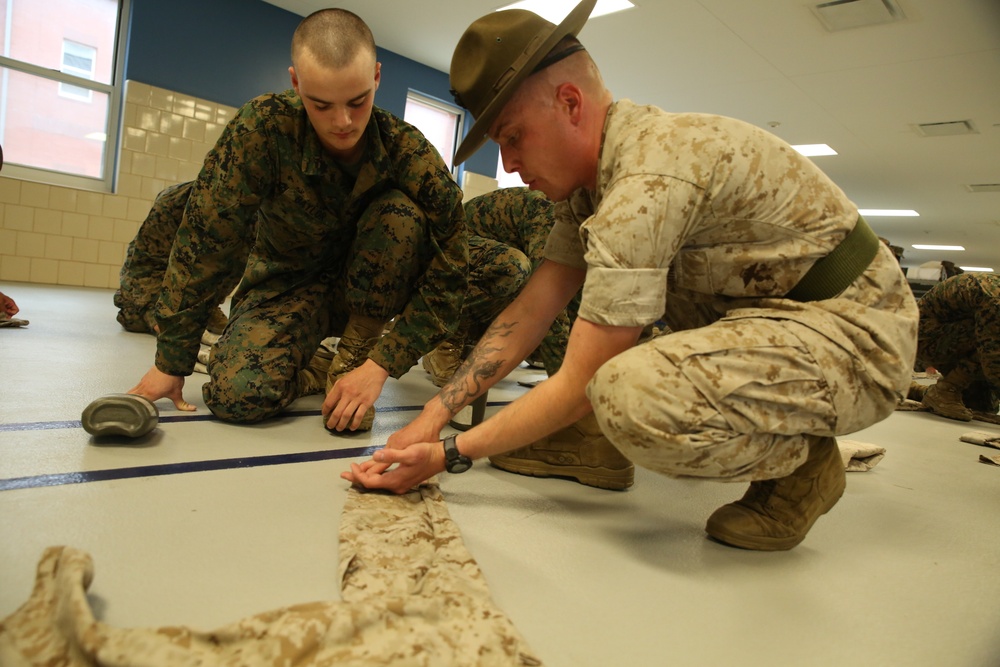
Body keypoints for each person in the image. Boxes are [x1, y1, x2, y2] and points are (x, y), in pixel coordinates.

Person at [342, 0, 919, 552]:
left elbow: (579, 381)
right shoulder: (593, 184)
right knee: (613, 378)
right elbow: (532, 309)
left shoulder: (647, 183)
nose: (510, 165)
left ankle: (803, 467)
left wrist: (446, 455)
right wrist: (433, 415)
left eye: (513, 137)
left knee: (630, 399)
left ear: (570, 102)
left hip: (859, 336)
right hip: (777, 320)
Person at [107, 8, 472, 434]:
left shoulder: (409, 153)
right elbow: (207, 240)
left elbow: (452, 267)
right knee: (238, 399)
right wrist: (172, 360)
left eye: (358, 102)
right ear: (296, 82)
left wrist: (379, 364)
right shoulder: (263, 129)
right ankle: (314, 367)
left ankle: (349, 358)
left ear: (376, 76)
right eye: (321, 105)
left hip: (372, 302)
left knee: (400, 214)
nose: (343, 122)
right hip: (286, 286)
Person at [422, 186, 576, 386]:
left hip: (478, 266)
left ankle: (471, 340)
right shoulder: (554, 217)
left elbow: (576, 301)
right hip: (443, 260)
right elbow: (548, 299)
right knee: (513, 268)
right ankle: (444, 341)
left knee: (545, 311)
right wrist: (565, 385)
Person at [113, 181, 239, 339]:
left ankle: (205, 309)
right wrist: (154, 311)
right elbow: (144, 266)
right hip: (156, 277)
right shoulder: (172, 203)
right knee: (134, 317)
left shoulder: (247, 208)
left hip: (194, 278)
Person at [915, 272, 1000, 420]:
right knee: (991, 340)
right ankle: (945, 389)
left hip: (952, 337)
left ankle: (923, 391)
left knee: (980, 407)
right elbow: (993, 358)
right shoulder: (996, 298)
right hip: (926, 337)